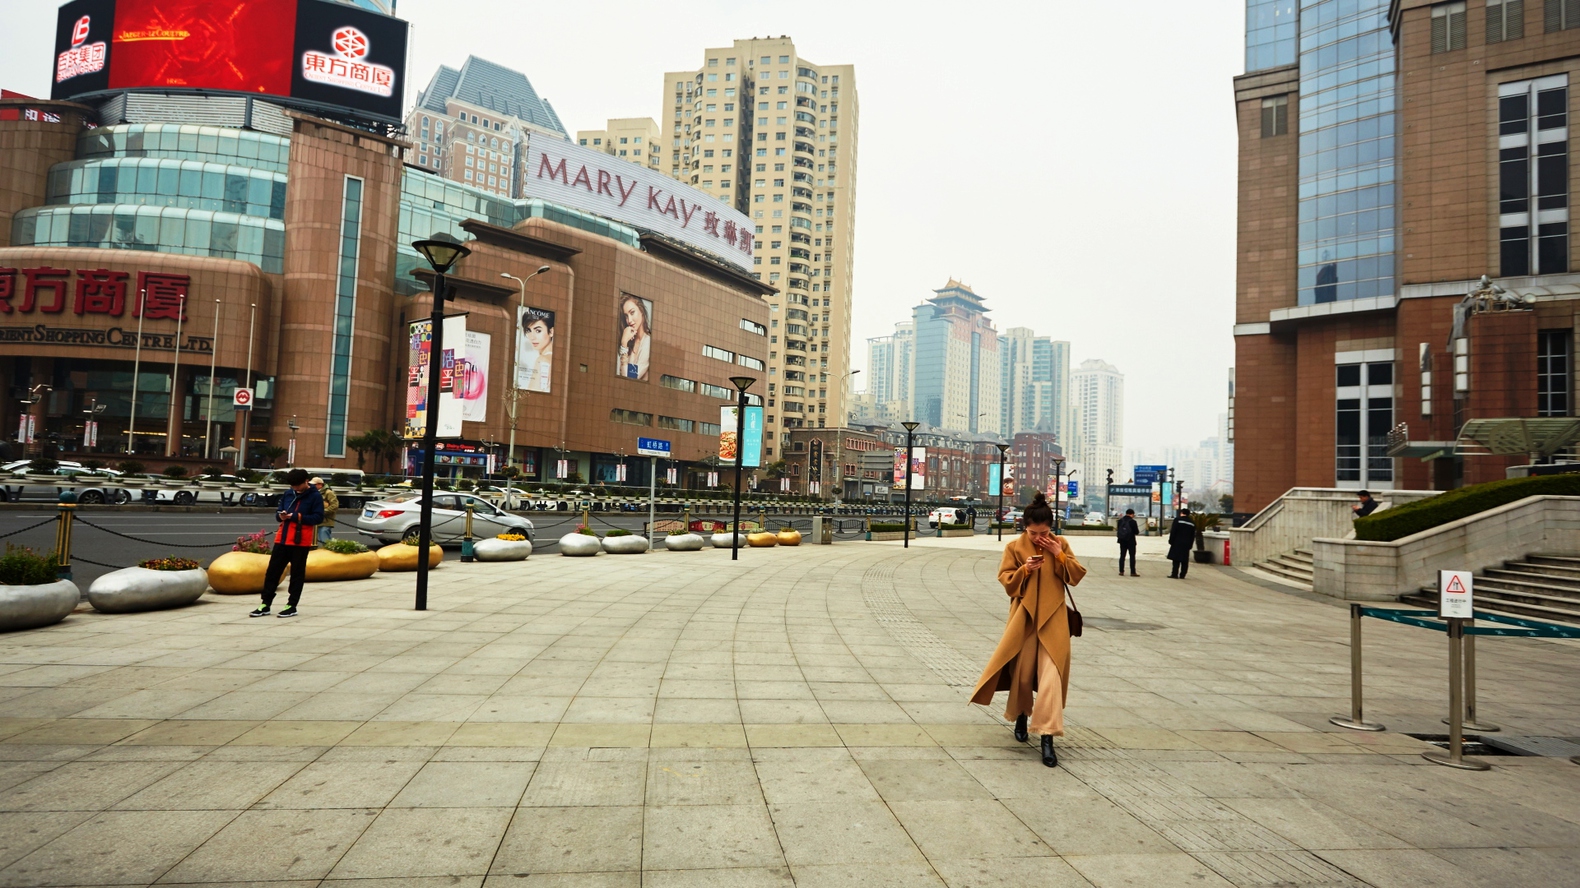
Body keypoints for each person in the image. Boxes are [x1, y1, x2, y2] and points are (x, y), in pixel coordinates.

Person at [971, 492, 1087, 768]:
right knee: (1022, 675)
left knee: (1051, 678)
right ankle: (1022, 714)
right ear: (1025, 528)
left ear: (1052, 528)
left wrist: (1059, 555)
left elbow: (1077, 575)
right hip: (1024, 620)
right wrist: (1025, 570)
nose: (1040, 538)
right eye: (1035, 533)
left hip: (1055, 619)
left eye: (1045, 532)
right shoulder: (1013, 547)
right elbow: (1007, 582)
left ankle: (1047, 737)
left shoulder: (1061, 544)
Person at [251, 469, 323, 619]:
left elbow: (318, 517)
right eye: (292, 486)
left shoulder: (315, 496)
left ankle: (291, 605)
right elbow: (278, 513)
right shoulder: (288, 493)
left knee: (297, 574)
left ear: (306, 481)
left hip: (300, 541)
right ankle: (265, 604)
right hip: (282, 539)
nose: (295, 489)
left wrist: (296, 516)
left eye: (297, 486)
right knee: (272, 572)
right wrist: (281, 515)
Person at [517, 308, 554, 393]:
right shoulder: (554, 359)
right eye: (528, 330)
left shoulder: (542, 360)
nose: (532, 337)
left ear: (551, 331)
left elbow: (531, 396)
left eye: (538, 331)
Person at [617, 294, 651, 381]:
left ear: (641, 310)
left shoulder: (648, 343)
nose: (629, 320)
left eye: (632, 313)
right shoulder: (630, 341)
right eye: (626, 316)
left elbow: (628, 378)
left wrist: (624, 344)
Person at [1167, 508, 1196, 579]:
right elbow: (1192, 535)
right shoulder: (1192, 523)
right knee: (1184, 560)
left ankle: (1174, 574)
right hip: (1186, 543)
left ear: (1182, 513)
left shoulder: (1177, 520)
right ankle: (1183, 574)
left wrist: (1171, 541)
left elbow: (1173, 531)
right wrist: (1190, 545)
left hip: (1177, 542)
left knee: (1176, 559)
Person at [312, 477, 338, 544]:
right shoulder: (313, 493)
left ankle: (329, 552)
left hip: (325, 522)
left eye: (314, 485)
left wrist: (323, 512)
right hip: (315, 521)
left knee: (325, 541)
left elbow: (335, 505)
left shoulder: (329, 493)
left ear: (320, 485)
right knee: (312, 541)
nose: (312, 486)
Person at [1116, 508, 1140, 577]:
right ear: (1132, 514)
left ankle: (1121, 571)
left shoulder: (1120, 521)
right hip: (1131, 541)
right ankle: (1132, 572)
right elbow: (1136, 532)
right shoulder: (1133, 522)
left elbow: (1118, 530)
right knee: (1132, 556)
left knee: (1122, 556)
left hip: (1122, 540)